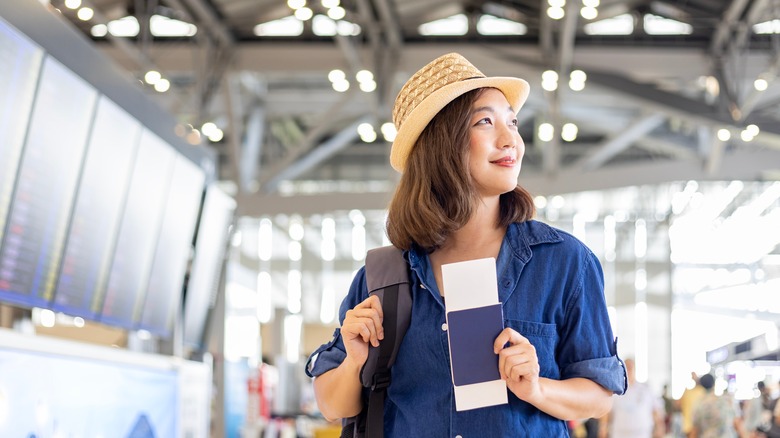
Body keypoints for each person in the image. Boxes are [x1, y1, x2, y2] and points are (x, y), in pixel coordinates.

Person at [304, 52, 627, 437]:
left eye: (512, 122)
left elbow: (600, 394)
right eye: (486, 122)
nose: (511, 140)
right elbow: (331, 404)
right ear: (441, 144)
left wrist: (537, 388)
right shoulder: (382, 278)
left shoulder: (565, 263)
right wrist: (355, 361)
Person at [598, 358, 664, 438]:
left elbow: (656, 410)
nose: (628, 370)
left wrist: (660, 427)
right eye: (626, 367)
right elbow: (607, 412)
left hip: (642, 433)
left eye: (630, 367)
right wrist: (603, 427)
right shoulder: (614, 390)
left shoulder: (646, 389)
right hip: (619, 433)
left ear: (635, 369)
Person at [690, 373, 745, 438]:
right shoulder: (726, 401)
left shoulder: (698, 404)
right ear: (714, 384)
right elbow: (737, 423)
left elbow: (695, 429)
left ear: (701, 386)